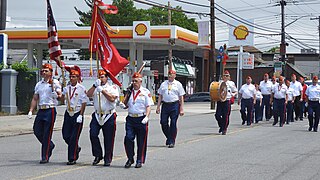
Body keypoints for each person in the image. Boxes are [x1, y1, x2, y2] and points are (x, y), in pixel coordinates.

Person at [28, 63, 62, 164]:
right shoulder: (39, 84)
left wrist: (54, 92)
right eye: (43, 70)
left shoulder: (55, 82)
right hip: (41, 110)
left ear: (51, 72)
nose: (43, 72)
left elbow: (60, 96)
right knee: (37, 130)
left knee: (47, 133)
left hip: (50, 109)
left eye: (46, 70)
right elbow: (35, 98)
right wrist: (31, 110)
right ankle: (49, 145)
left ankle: (45, 156)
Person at [87, 70, 119, 166]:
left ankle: (107, 158)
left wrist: (103, 90)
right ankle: (98, 155)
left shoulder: (112, 87)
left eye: (103, 76)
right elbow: (88, 94)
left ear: (107, 77)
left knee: (108, 138)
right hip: (97, 115)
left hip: (108, 115)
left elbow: (112, 99)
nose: (101, 78)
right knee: (93, 134)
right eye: (99, 76)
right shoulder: (96, 87)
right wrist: (94, 86)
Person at [122, 72, 153, 168]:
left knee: (141, 141)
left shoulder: (145, 92)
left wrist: (147, 117)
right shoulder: (129, 92)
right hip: (131, 118)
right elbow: (126, 104)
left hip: (141, 118)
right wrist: (123, 105)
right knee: (128, 138)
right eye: (133, 81)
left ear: (140, 81)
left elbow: (148, 106)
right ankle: (130, 158)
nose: (134, 83)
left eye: (136, 81)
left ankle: (139, 160)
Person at [61, 69, 87, 165]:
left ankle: (72, 158)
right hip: (68, 113)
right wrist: (60, 93)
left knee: (73, 137)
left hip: (77, 113)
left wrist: (81, 115)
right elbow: (62, 99)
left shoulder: (81, 88)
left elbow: (84, 103)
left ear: (78, 78)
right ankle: (76, 147)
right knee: (65, 135)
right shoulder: (66, 88)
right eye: (71, 76)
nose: (72, 78)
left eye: (74, 77)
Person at [156, 69, 185, 147]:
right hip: (165, 105)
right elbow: (160, 96)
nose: (170, 78)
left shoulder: (178, 84)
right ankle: (169, 137)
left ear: (174, 76)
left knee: (173, 122)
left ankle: (172, 141)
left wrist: (181, 108)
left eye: (172, 76)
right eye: (169, 76)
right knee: (163, 122)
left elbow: (181, 97)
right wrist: (158, 107)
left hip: (174, 104)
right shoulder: (163, 84)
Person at [215, 70, 237, 135]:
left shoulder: (231, 83)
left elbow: (235, 91)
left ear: (229, 77)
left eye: (227, 76)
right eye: (224, 75)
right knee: (217, 115)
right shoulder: (220, 82)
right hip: (220, 100)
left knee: (225, 115)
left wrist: (233, 94)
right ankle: (221, 125)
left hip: (227, 100)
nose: (225, 77)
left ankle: (224, 129)